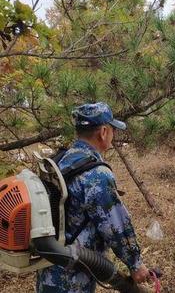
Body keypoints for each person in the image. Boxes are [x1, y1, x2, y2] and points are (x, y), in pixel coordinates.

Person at [36, 102, 150, 292]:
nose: (114, 135)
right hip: (73, 278)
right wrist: (136, 264)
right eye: (113, 129)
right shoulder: (97, 174)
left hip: (49, 269)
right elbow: (116, 226)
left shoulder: (60, 160)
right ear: (103, 132)